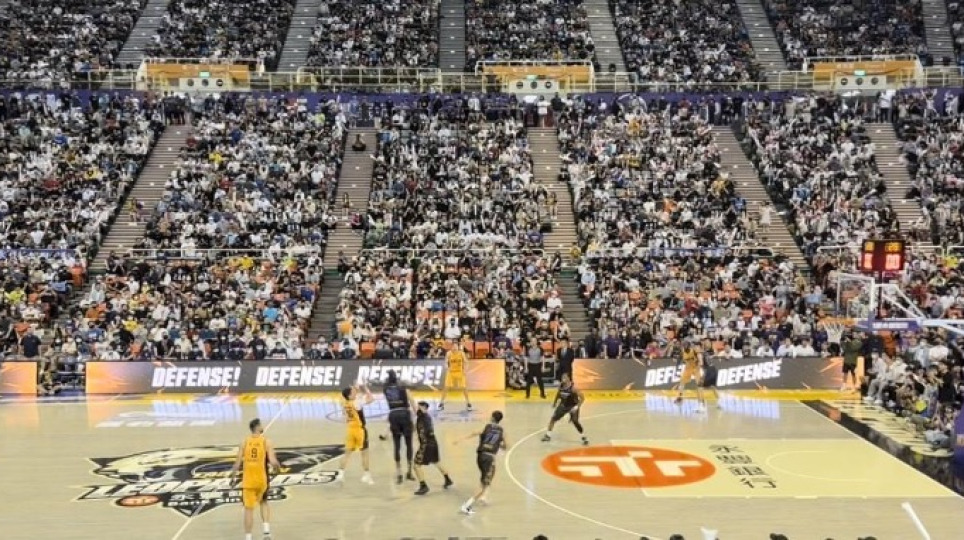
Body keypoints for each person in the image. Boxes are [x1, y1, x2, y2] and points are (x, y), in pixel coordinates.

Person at [231, 418, 281, 540]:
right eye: (261, 425)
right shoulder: (266, 441)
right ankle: (266, 532)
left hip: (248, 481)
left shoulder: (244, 442)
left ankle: (248, 538)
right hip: (261, 480)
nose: (262, 426)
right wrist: (278, 468)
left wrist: (232, 476)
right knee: (264, 502)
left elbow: (237, 463)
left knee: (248, 510)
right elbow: (273, 461)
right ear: (257, 427)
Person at [460, 410, 508, 515]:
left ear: (492, 417)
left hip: (480, 456)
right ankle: (466, 506)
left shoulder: (486, 427)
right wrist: (498, 445)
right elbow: (506, 446)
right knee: (484, 483)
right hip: (489, 458)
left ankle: (484, 497)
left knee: (486, 477)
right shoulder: (502, 431)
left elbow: (474, 433)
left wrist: (461, 439)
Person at [336, 384, 374, 484]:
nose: (355, 393)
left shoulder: (344, 403)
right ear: (349, 395)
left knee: (347, 454)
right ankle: (366, 475)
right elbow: (371, 399)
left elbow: (344, 413)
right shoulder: (357, 403)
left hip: (350, 430)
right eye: (352, 392)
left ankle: (340, 474)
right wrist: (366, 389)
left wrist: (355, 389)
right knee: (364, 454)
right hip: (360, 430)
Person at [413, 401, 454, 495]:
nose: (417, 409)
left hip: (426, 444)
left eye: (419, 407)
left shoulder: (424, 417)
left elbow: (426, 431)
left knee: (416, 465)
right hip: (433, 443)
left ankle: (423, 486)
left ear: (424, 408)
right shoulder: (425, 417)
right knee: (436, 461)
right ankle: (448, 479)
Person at [383, 370, 416, 484]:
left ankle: (399, 474)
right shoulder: (403, 388)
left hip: (393, 415)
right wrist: (416, 417)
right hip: (404, 415)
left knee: (396, 446)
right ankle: (409, 472)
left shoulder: (385, 389)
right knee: (409, 444)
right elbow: (412, 402)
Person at [541, 372, 588, 445]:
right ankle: (548, 435)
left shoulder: (573, 388)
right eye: (562, 377)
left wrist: (577, 407)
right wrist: (555, 402)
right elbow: (558, 394)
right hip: (563, 405)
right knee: (553, 419)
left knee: (575, 421)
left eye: (565, 377)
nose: (563, 379)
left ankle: (583, 437)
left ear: (568, 378)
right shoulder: (561, 386)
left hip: (572, 406)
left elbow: (582, 398)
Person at [674, 340, 706, 411]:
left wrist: (700, 363)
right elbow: (678, 361)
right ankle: (680, 397)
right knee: (682, 382)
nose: (685, 347)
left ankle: (702, 400)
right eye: (683, 345)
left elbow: (700, 357)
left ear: (689, 345)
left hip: (696, 368)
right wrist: (676, 369)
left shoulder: (694, 350)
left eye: (686, 345)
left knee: (699, 385)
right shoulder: (682, 352)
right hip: (688, 368)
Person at [440, 340, 471, 410]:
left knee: (464, 387)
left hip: (460, 372)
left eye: (456, 346)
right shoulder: (448, 353)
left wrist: (465, 370)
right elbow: (445, 362)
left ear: (458, 347)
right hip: (451, 372)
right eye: (453, 346)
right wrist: (446, 367)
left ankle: (468, 403)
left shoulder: (461, 353)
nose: (454, 347)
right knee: (446, 387)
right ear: (451, 347)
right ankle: (441, 403)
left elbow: (466, 362)